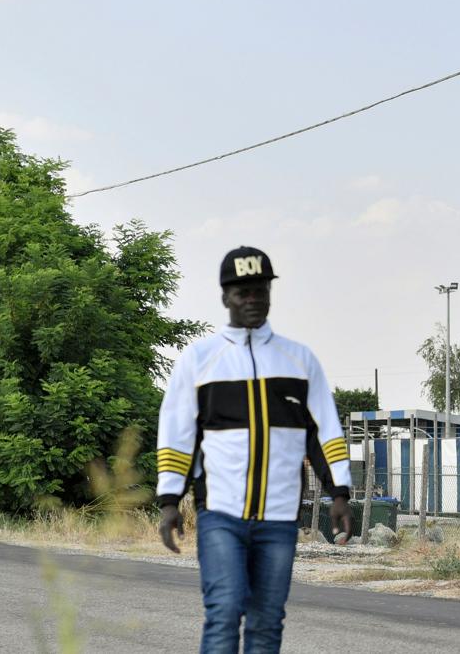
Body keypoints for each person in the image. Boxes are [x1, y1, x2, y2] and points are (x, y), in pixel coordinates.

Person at [156, 246, 353, 654]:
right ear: (225, 296)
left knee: (267, 621)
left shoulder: (299, 360)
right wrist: (169, 500)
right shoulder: (199, 360)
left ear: (269, 292)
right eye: (242, 292)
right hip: (221, 515)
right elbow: (177, 434)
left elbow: (324, 433)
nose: (252, 299)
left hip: (279, 518)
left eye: (260, 290)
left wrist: (340, 492)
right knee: (224, 610)